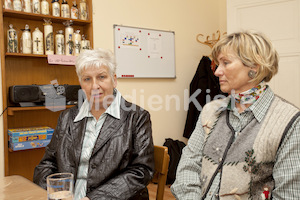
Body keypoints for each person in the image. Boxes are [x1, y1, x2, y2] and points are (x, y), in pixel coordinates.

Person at [171, 31, 300, 199]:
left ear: (254, 67)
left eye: (226, 63)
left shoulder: (289, 121)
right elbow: (188, 166)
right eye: (218, 64)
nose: (217, 72)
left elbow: (289, 194)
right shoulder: (210, 110)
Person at [33, 48, 155, 200]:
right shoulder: (66, 117)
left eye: (101, 77)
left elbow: (141, 171)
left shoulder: (137, 117)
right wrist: (57, 191)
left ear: (114, 80)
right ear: (80, 83)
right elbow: (46, 165)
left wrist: (93, 198)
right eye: (87, 79)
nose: (94, 86)